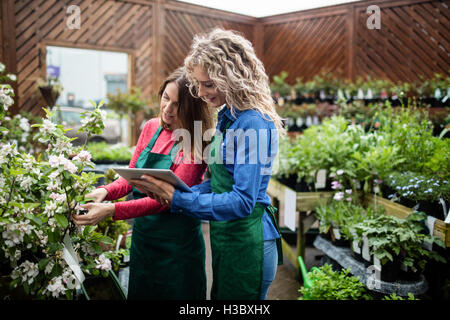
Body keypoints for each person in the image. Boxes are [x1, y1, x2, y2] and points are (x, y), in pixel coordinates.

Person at [130, 28, 285, 300]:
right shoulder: (229, 117)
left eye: (209, 84)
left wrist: (179, 200)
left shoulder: (255, 123)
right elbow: (219, 183)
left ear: (233, 77)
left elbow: (242, 201)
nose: (200, 92)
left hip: (249, 241)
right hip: (226, 238)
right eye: (198, 84)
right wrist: (178, 191)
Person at [72, 67, 213, 300]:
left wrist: (110, 210)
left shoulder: (196, 142)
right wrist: (103, 191)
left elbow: (165, 201)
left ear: (192, 108)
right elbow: (131, 178)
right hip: (144, 241)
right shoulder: (151, 127)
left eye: (177, 104)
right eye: (165, 98)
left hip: (177, 247)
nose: (167, 109)